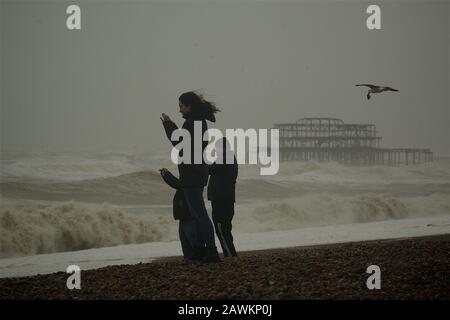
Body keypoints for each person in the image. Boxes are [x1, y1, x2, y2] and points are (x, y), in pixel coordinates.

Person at [160, 91, 220, 263]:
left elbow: (179, 143)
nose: (179, 110)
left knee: (200, 215)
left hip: (192, 175)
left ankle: (211, 250)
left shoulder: (194, 122)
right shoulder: (196, 122)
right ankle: (202, 249)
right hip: (195, 172)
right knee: (196, 214)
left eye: (181, 106)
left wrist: (168, 124)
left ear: (189, 106)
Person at [158, 168, 199, 262]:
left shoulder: (190, 179)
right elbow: (178, 183)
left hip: (186, 213)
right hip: (185, 213)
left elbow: (177, 184)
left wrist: (166, 174)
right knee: (184, 235)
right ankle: (189, 256)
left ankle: (193, 256)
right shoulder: (192, 177)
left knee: (189, 235)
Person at [207, 138, 238, 257]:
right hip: (226, 198)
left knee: (221, 228)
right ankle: (230, 253)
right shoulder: (228, 158)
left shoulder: (226, 159)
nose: (215, 150)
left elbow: (210, 169)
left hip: (221, 199)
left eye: (217, 147)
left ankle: (230, 254)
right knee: (225, 228)